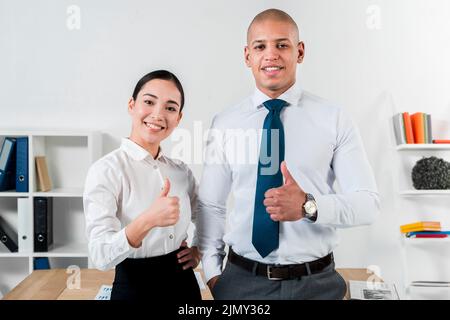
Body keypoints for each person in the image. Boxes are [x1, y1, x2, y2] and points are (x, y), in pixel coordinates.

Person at [196, 9, 380, 300]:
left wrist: (309, 206)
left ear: (300, 51)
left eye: (282, 45)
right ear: (247, 56)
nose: (271, 55)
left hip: (317, 285)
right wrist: (213, 274)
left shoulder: (334, 119)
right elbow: (211, 205)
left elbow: (368, 203)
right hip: (241, 283)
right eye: (260, 47)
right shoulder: (225, 122)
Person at [83, 70, 201, 301]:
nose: (158, 114)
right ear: (132, 105)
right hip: (134, 287)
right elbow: (100, 255)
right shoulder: (106, 170)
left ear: (178, 118)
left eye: (170, 107)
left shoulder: (180, 171)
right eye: (149, 102)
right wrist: (148, 220)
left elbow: (207, 214)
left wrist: (199, 248)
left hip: (183, 284)